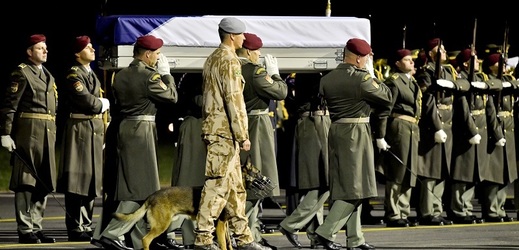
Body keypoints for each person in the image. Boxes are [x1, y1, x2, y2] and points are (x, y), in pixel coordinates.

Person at [96, 34, 178, 250]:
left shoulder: (120, 75)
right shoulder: (148, 76)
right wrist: (166, 75)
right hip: (141, 132)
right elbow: (171, 96)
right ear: (148, 54)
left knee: (140, 185)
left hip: (125, 128)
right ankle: (112, 233)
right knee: (139, 188)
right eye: (157, 54)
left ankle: (141, 239)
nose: (158, 58)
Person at [193, 17, 267, 250]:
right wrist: (242, 134)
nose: (244, 39)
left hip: (217, 130)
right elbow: (234, 101)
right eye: (242, 35)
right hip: (224, 133)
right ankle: (203, 238)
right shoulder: (230, 61)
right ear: (233, 36)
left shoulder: (212, 58)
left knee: (235, 189)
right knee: (216, 186)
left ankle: (244, 238)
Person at [315, 38, 391, 250]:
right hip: (356, 133)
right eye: (366, 58)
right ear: (358, 59)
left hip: (336, 130)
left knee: (348, 186)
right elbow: (387, 97)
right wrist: (374, 77)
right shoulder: (362, 79)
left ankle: (355, 238)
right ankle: (325, 232)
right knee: (356, 188)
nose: (367, 61)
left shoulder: (327, 79)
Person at [0, 34, 57, 244]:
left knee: (43, 180)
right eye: (40, 48)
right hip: (29, 133)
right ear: (29, 52)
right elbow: (10, 105)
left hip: (47, 134)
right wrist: (5, 133)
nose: (45, 51)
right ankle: (25, 229)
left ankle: (36, 226)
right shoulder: (22, 73)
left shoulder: (47, 75)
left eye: (46, 47)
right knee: (26, 181)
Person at [236, 32, 287, 250]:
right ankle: (247, 236)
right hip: (257, 126)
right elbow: (281, 91)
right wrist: (274, 74)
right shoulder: (255, 72)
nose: (259, 55)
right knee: (257, 182)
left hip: (244, 124)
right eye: (257, 51)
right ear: (248, 51)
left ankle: (253, 234)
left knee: (252, 183)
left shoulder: (235, 69)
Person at [57, 35, 110, 242]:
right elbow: (87, 101)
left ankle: (85, 224)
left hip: (93, 130)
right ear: (78, 53)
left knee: (90, 180)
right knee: (77, 179)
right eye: (87, 48)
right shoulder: (74, 74)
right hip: (80, 130)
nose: (92, 49)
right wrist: (101, 104)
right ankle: (75, 226)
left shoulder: (92, 74)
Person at [276, 73, 332, 249]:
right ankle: (292, 225)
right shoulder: (309, 73)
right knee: (321, 182)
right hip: (312, 121)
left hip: (319, 120)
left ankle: (315, 235)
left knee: (320, 183)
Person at [413, 38, 458, 226]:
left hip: (447, 124)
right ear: (432, 53)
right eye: (441, 49)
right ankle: (426, 211)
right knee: (430, 172)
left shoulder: (448, 71)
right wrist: (437, 127)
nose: (445, 52)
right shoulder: (427, 72)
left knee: (442, 170)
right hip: (434, 126)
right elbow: (429, 102)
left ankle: (437, 210)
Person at [377, 48, 421, 227]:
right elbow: (384, 111)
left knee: (409, 171)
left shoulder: (411, 81)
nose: (412, 62)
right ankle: (393, 213)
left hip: (412, 128)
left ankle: (403, 211)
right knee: (397, 171)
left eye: (412, 59)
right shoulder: (394, 82)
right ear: (397, 63)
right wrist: (380, 135)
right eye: (407, 59)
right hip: (399, 127)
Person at [449, 48, 493, 224]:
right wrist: (472, 131)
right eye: (474, 60)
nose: (478, 62)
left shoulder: (481, 78)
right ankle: (458, 209)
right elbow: (464, 109)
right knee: (463, 172)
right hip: (466, 132)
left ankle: (466, 208)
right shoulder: (461, 80)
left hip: (480, 130)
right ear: (466, 63)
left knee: (474, 172)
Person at [479, 53, 517, 222]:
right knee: (494, 173)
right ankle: (491, 209)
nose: (503, 65)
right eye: (499, 63)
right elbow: (491, 111)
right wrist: (496, 133)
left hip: (509, 129)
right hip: (498, 128)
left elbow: (514, 84)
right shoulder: (488, 80)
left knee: (505, 173)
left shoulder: (508, 79)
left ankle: (500, 208)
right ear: (490, 66)